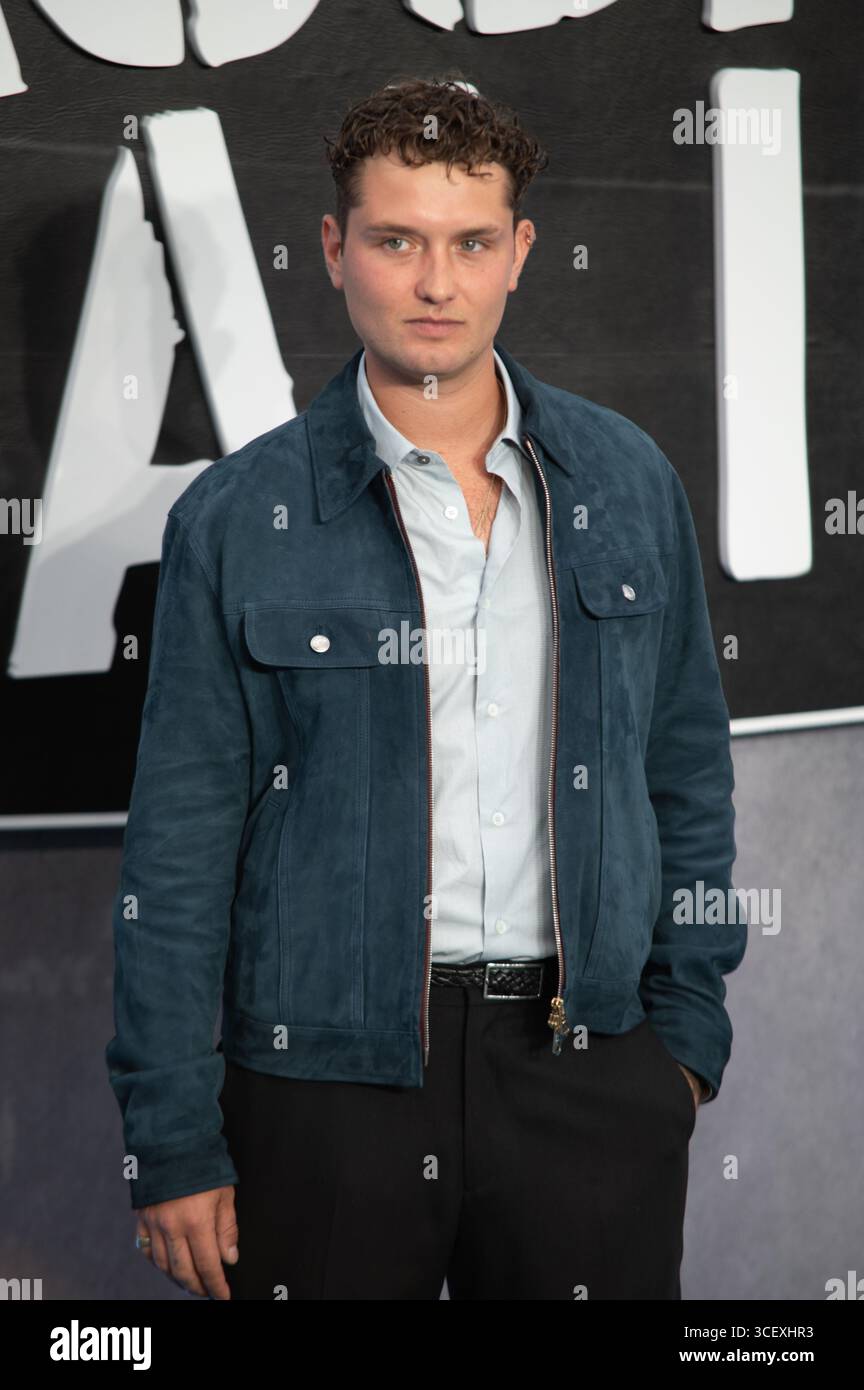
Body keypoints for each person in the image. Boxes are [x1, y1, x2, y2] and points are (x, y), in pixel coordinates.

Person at [105, 73, 747, 1301]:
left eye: (469, 243)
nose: (436, 283)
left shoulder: (629, 479)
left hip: (588, 1067)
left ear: (521, 252)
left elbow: (687, 774)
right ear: (337, 249)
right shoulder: (238, 520)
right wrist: (172, 1131)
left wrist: (680, 1045)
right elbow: (176, 854)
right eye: (398, 240)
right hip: (325, 1088)